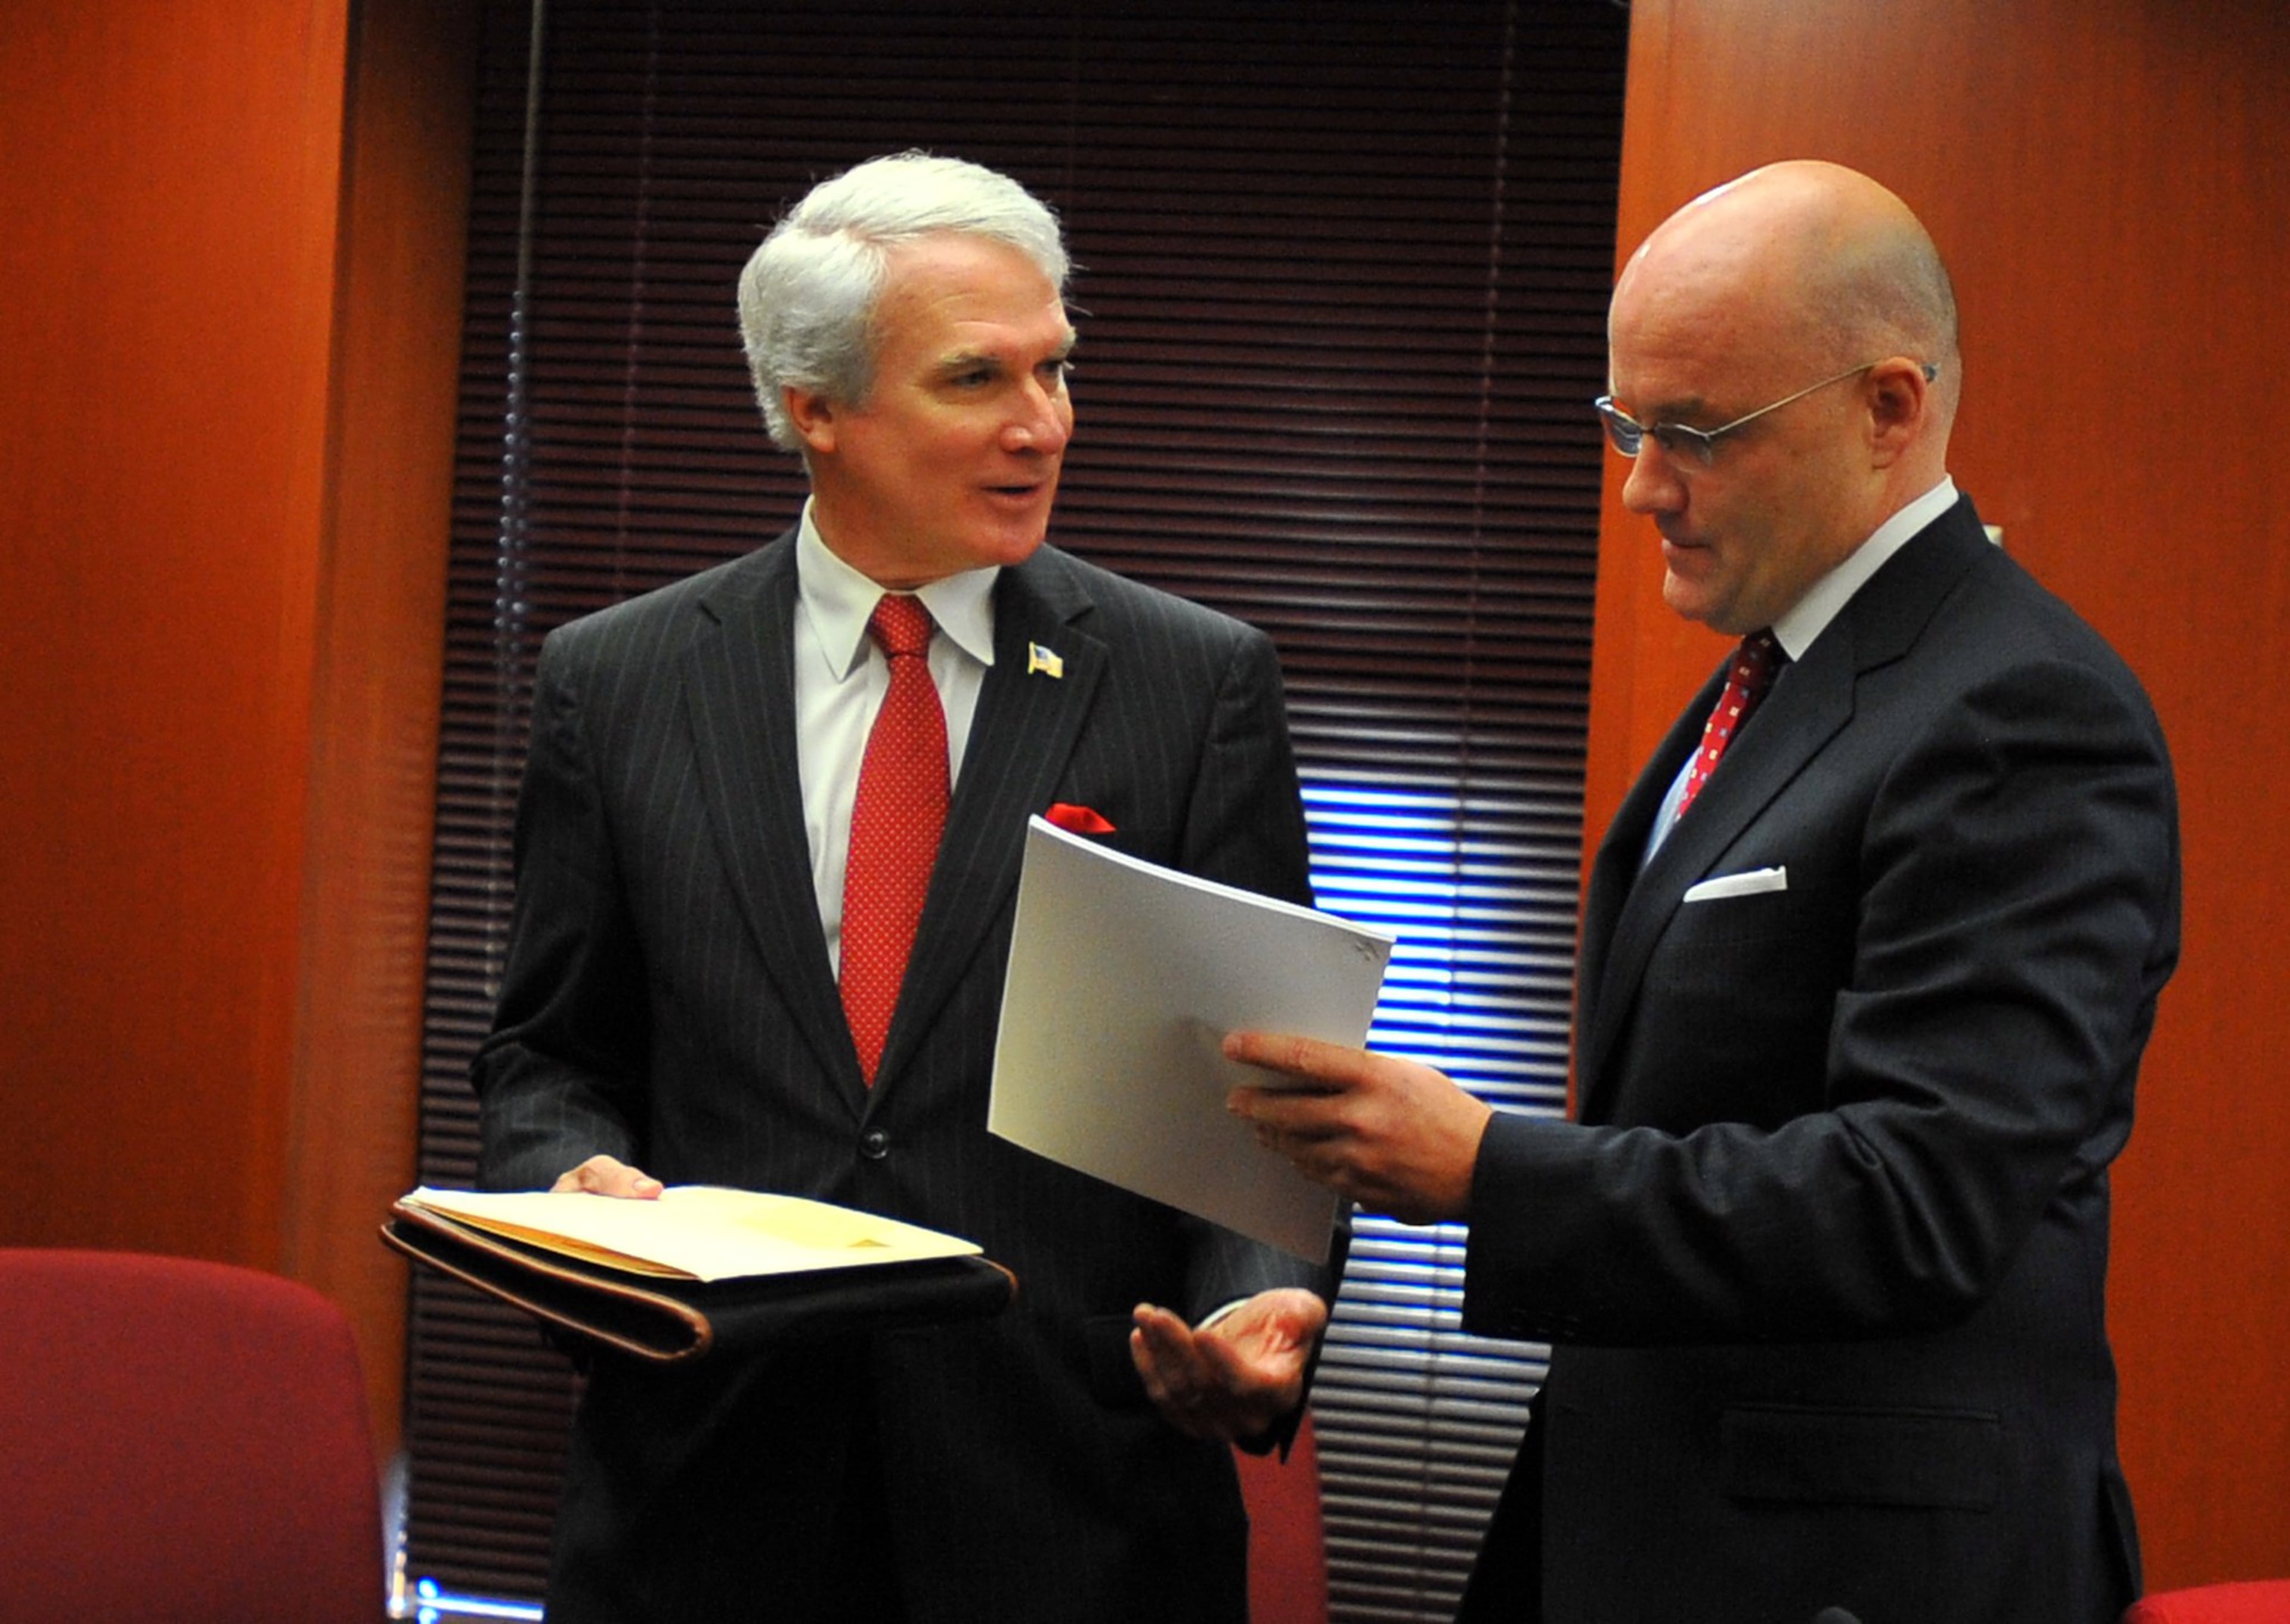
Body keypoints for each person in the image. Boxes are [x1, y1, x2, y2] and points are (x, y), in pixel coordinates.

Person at [1226, 160, 2179, 1624]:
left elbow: (1917, 1200)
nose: (1640, 486)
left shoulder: (2021, 709)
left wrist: (1490, 1169)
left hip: (1848, 1565)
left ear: (1890, 408)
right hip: (1669, 1520)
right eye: (1624, 422)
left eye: (1695, 434)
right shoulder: (1787, 675)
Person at [473, 151, 1337, 1624]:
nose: (1041, 426)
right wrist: (568, 1189)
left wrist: (1253, 1302)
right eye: (974, 379)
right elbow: (552, 1055)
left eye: (1058, 370)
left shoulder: (1197, 686)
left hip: (1070, 1507)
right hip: (706, 1492)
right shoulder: (615, 683)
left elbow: (1256, 1095)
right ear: (814, 407)